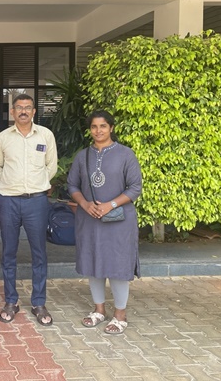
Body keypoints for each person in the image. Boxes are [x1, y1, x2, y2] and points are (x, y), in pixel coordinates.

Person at [67, 110, 142, 334]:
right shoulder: (83, 156)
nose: (98, 130)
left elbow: (135, 187)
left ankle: (120, 314)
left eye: (103, 126)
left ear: (111, 128)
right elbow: (72, 185)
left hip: (119, 221)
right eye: (94, 126)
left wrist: (111, 204)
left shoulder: (125, 154)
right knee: (94, 263)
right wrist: (85, 204)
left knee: (118, 265)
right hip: (90, 219)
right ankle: (99, 310)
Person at [0, 93, 58, 325]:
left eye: (28, 107)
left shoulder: (46, 135)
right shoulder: (3, 137)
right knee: (9, 253)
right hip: (8, 201)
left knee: (39, 253)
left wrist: (38, 183)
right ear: (12, 111)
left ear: (34, 111)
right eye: (19, 107)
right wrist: (9, 184)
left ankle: (39, 302)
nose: (23, 111)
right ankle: (11, 300)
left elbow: (51, 166)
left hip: (36, 202)